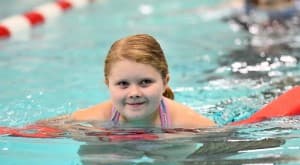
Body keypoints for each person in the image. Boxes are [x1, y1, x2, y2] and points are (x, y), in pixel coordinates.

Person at [67, 34, 215, 129]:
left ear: (165, 82)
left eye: (145, 82)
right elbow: (51, 127)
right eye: (123, 84)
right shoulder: (93, 119)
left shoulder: (188, 124)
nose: (134, 93)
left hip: (165, 151)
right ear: (108, 84)